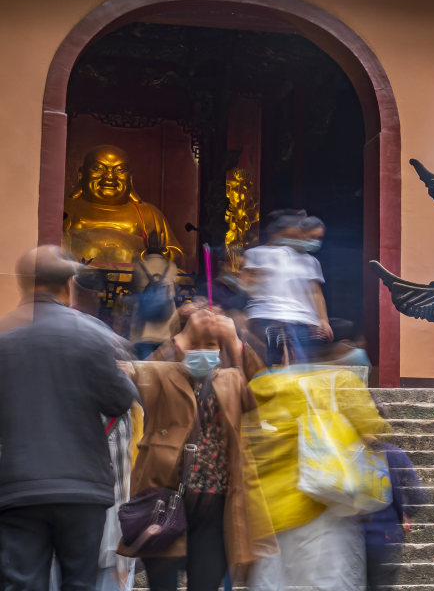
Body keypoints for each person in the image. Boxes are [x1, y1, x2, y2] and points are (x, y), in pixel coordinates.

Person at [0, 246, 137, 591]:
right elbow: (121, 400)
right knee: (79, 582)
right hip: (82, 487)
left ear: (24, 283)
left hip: (18, 485)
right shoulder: (92, 336)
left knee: (21, 582)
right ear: (70, 284)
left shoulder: (5, 340)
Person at [117, 309, 276, 591]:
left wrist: (236, 342)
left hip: (215, 506)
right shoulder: (161, 373)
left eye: (211, 345)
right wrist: (179, 341)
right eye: (195, 344)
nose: (203, 352)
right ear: (180, 341)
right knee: (162, 585)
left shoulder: (230, 379)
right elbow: (138, 379)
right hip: (162, 500)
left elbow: (264, 394)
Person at [247, 368, 390, 591]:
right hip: (325, 510)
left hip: (269, 518)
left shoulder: (258, 388)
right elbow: (375, 430)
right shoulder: (340, 380)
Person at [63, 145, 184, 268]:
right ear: (81, 174)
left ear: (130, 178)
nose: (109, 177)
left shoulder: (148, 213)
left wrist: (158, 254)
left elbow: (177, 255)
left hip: (136, 280)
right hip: (81, 277)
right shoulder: (65, 208)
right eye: (98, 168)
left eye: (120, 170)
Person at [242, 214, 331, 367]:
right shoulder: (259, 254)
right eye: (312, 237)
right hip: (266, 317)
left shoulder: (310, 261)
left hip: (299, 321)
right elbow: (247, 284)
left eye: (319, 238)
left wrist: (322, 319)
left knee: (296, 364)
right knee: (266, 362)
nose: (315, 242)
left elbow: (315, 293)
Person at [363, 440, 423, 590]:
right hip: (388, 539)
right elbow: (418, 495)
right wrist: (402, 514)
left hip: (357, 539)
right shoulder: (394, 454)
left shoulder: (352, 453)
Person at [130, 231, 179, 359]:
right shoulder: (172, 267)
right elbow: (173, 293)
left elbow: (133, 289)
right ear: (164, 246)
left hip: (143, 327)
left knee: (144, 368)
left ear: (146, 244)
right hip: (166, 327)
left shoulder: (139, 267)